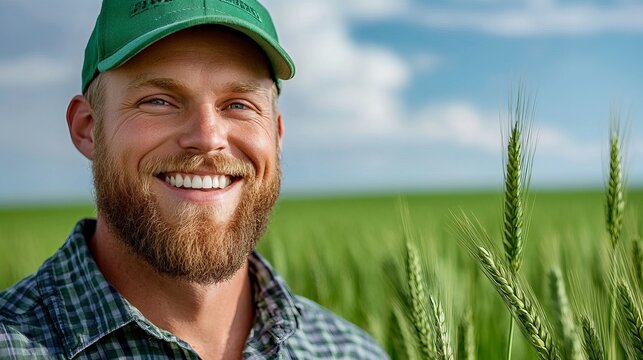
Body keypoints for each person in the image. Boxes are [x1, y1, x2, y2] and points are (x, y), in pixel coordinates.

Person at [0, 1, 388, 359]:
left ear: (276, 134)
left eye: (239, 105)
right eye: (158, 101)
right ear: (88, 128)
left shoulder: (352, 351)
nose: (207, 137)